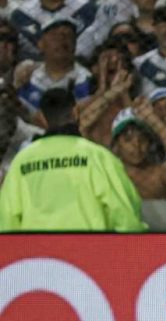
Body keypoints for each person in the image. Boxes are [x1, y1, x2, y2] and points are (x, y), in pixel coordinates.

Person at [0, 88, 146, 232]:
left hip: (38, 252)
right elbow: (126, 217)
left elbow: (6, 219)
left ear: (43, 119)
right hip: (89, 250)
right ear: (76, 112)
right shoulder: (98, 157)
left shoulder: (22, 161)